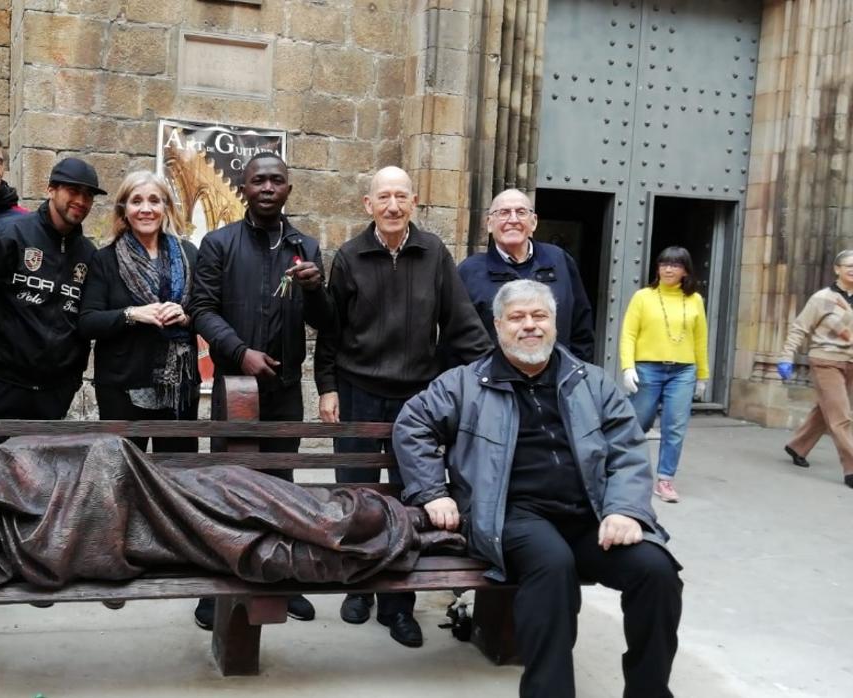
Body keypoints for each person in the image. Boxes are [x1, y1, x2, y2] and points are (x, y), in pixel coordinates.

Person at [394, 280, 682, 698]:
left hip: (592, 516)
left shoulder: (592, 383)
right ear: (498, 326)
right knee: (552, 565)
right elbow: (412, 424)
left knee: (657, 572)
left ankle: (648, 691)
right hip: (509, 515)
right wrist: (432, 491)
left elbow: (628, 450)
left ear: (555, 323)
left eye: (539, 316)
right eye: (517, 317)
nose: (529, 326)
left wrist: (625, 510)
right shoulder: (465, 382)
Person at [314, 166, 492, 648]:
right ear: (367, 204)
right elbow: (332, 331)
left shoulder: (433, 252)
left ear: (414, 203)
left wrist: (498, 374)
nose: (393, 206)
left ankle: (398, 605)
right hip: (357, 390)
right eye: (383, 197)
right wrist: (327, 385)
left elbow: (461, 322)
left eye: (401, 197)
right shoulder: (349, 256)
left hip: (418, 397)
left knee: (411, 497)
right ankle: (359, 586)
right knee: (356, 496)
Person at [189, 151, 336, 630]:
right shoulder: (219, 243)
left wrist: (316, 290)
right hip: (235, 387)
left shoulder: (305, 246)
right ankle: (221, 584)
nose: (268, 188)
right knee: (228, 486)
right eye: (258, 181)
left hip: (285, 389)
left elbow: (325, 323)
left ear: (289, 189)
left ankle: (281, 578)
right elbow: (202, 309)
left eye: (277, 180)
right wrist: (239, 351)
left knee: (281, 486)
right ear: (244, 188)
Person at [0, 158, 104, 438]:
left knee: (42, 479)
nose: (81, 200)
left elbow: (83, 320)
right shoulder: (9, 235)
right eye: (73, 190)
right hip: (0, 385)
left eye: (88, 194)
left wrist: (72, 380)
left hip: (54, 394)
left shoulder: (89, 255)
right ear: (50, 189)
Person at [79, 171, 200, 452]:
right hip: (122, 388)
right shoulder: (105, 259)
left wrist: (185, 316)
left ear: (165, 207)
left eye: (154, 201)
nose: (146, 209)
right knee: (122, 476)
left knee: (175, 475)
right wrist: (132, 314)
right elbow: (88, 322)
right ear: (124, 209)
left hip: (179, 389)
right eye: (136, 201)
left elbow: (207, 311)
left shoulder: (190, 254)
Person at [457, 188, 596, 361]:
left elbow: (581, 327)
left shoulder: (559, 261)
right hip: (491, 382)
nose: (513, 219)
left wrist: (574, 376)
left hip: (555, 380)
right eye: (504, 213)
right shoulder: (469, 271)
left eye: (521, 212)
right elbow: (458, 337)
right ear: (489, 224)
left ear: (534, 222)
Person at [619, 246, 709, 503]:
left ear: (685, 271)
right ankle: (623, 472)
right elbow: (628, 334)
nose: (669, 269)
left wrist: (702, 375)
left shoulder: (694, 301)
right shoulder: (643, 297)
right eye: (664, 264)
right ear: (658, 268)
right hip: (648, 367)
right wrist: (628, 367)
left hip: (683, 370)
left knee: (675, 427)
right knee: (637, 422)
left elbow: (700, 340)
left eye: (676, 265)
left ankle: (665, 480)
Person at [776, 249, 853, 489]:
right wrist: (786, 356)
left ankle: (798, 446)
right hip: (825, 360)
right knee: (842, 416)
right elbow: (800, 328)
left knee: (827, 410)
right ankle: (851, 468)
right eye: (848, 265)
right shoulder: (822, 298)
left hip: (851, 362)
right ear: (837, 269)